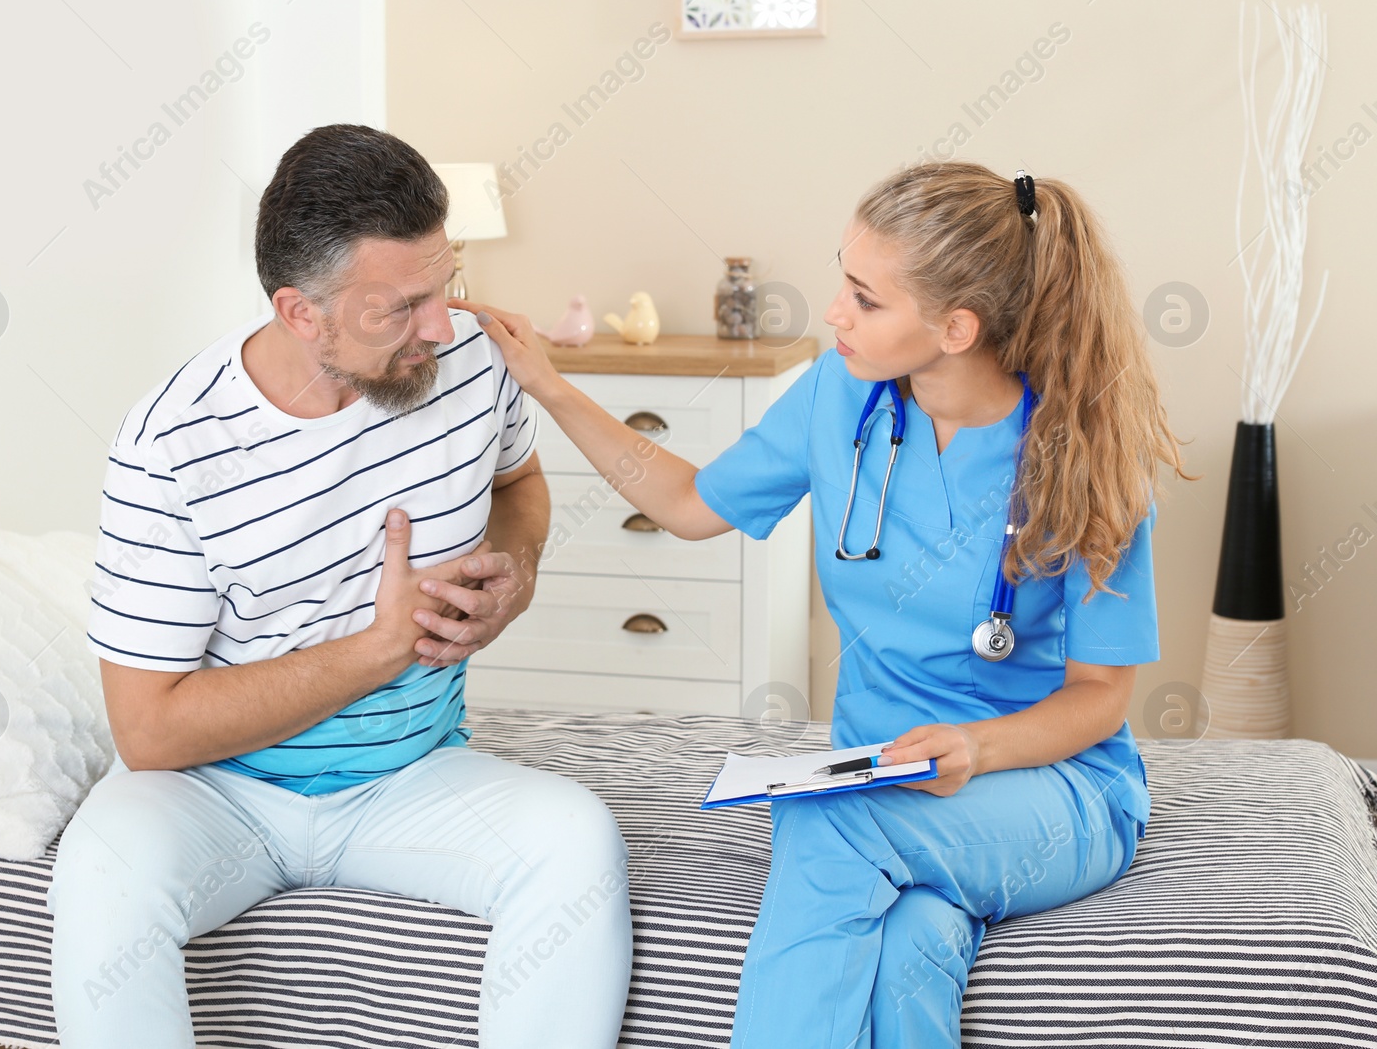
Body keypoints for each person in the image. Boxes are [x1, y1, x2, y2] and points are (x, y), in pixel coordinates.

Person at [459, 160, 1193, 1048]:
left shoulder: (1082, 455)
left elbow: (1103, 695)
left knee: (825, 816)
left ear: (956, 326)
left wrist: (978, 744)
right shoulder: (835, 396)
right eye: (841, 280)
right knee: (915, 941)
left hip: (1048, 786)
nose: (833, 313)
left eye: (865, 298)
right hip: (886, 773)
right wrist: (551, 384)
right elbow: (690, 504)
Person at [47, 124, 632, 1049]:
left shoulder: (470, 363)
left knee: (577, 843)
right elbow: (149, 729)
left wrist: (515, 573)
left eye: (445, 285)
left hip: (412, 774)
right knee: (96, 887)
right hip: (214, 791)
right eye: (399, 307)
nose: (440, 324)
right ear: (299, 312)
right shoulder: (173, 445)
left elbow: (519, 485)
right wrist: (376, 650)